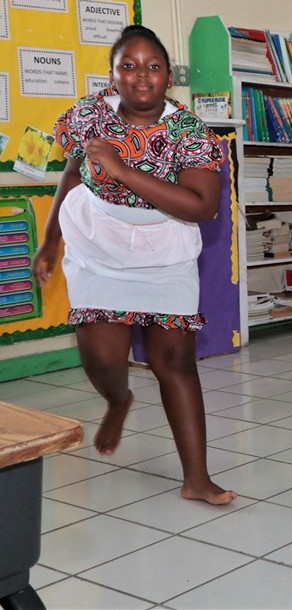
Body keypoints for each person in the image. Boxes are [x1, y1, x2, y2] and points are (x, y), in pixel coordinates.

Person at [32, 25, 238, 504]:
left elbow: (202, 206)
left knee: (176, 363)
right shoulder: (89, 114)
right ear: (112, 74)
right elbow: (71, 173)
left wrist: (122, 169)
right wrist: (50, 241)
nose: (141, 77)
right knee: (102, 358)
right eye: (128, 66)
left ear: (168, 76)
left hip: (164, 244)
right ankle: (118, 399)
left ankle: (197, 478)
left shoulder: (189, 131)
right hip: (97, 239)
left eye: (153, 67)